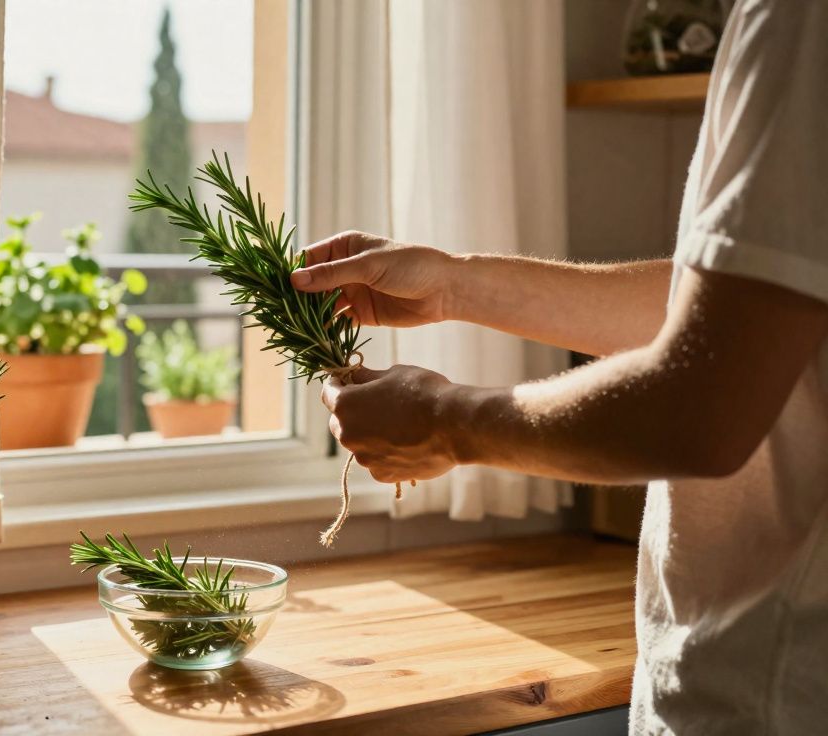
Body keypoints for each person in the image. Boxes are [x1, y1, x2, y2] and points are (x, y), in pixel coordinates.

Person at [292, 1, 828, 733]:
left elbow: (703, 408)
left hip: (775, 692)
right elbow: (734, 307)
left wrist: (448, 423)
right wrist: (455, 282)